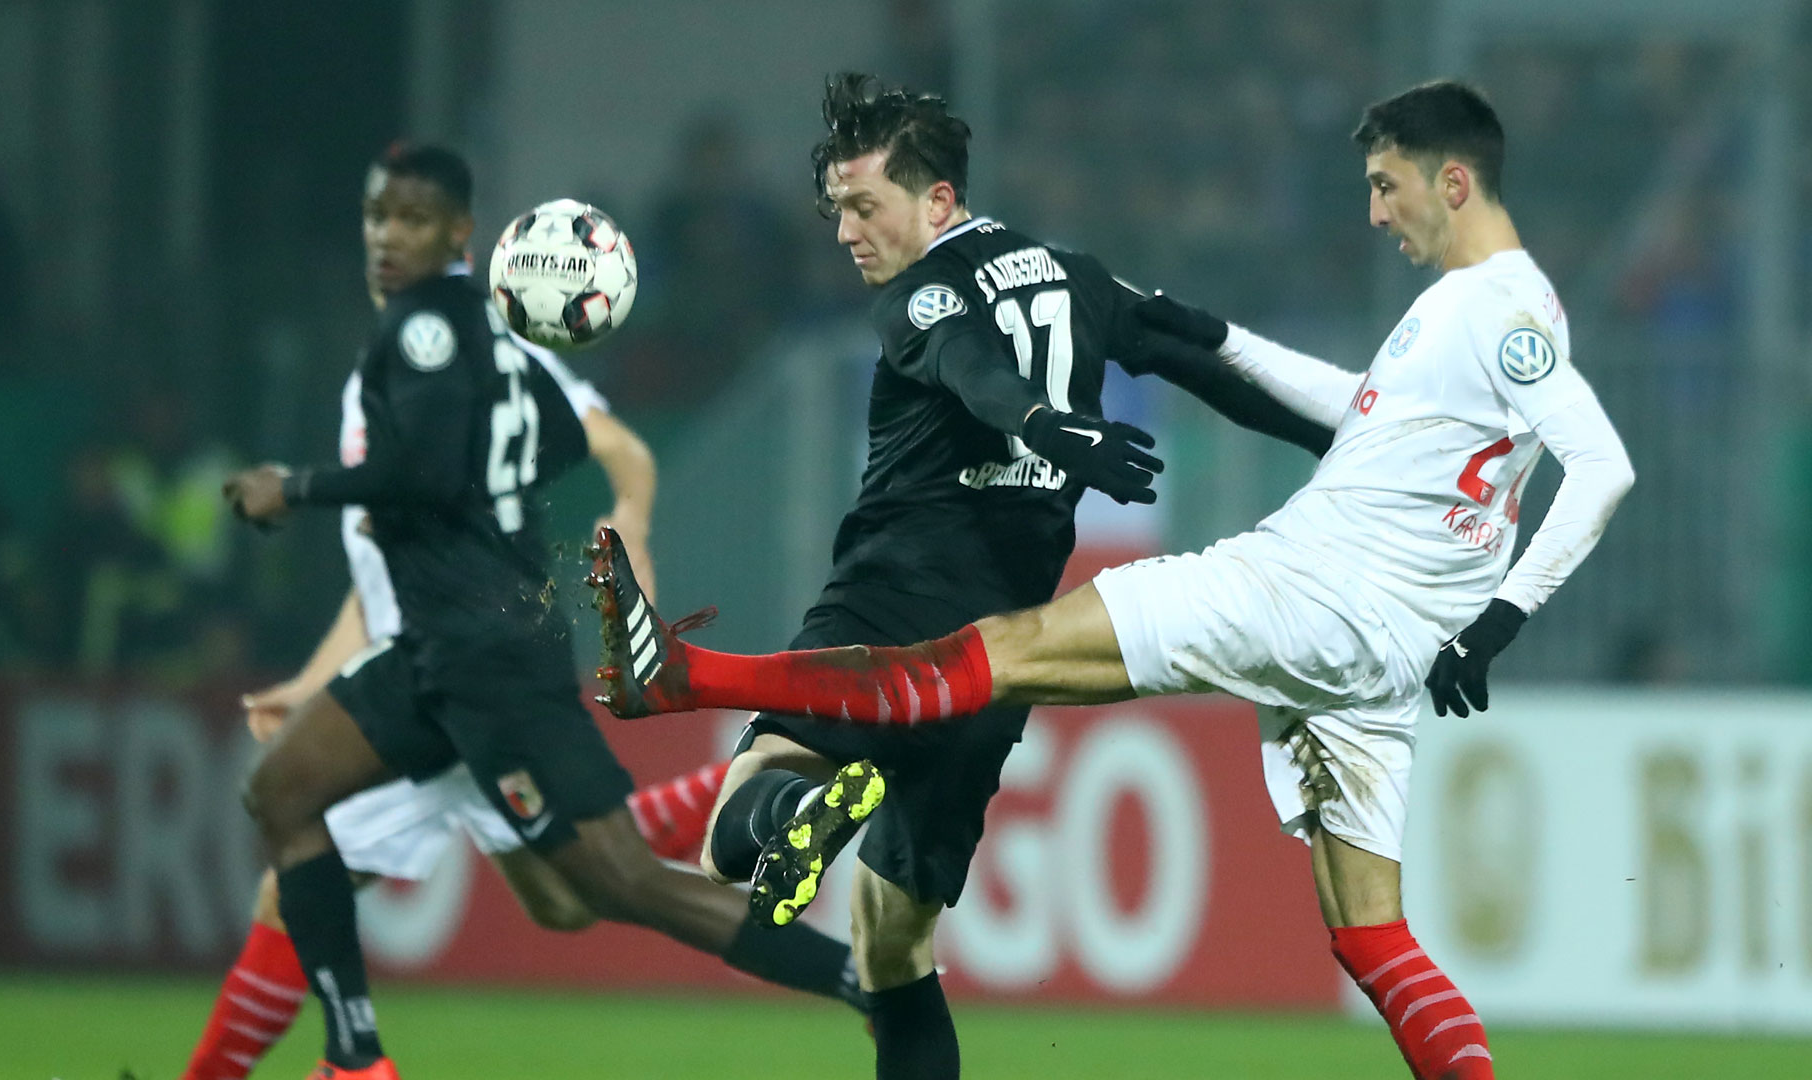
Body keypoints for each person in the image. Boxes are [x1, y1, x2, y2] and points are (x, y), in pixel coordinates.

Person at [591, 81, 1635, 1080]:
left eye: (863, 207)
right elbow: (1253, 377)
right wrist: (1285, 401)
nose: (847, 231)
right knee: (909, 952)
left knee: (766, 821)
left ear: (938, 199)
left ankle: (702, 695)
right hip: (1318, 648)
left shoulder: (919, 295)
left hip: (971, 610)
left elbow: (968, 365)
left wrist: (1043, 421)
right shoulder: (1077, 276)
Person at [221, 143, 865, 1080]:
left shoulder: (428, 336)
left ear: (458, 236)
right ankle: (356, 1057)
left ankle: (864, 981)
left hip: (487, 661)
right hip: (432, 653)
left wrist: (296, 485)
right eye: (377, 218)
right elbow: (548, 448)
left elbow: (425, 477)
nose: (387, 238)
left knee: (615, 886)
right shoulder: (500, 355)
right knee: (280, 791)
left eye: (410, 221)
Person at [178, 587, 728, 1080]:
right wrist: (313, 685)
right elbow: (369, 593)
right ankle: (734, 783)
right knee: (564, 901)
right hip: (454, 687)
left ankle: (343, 1062)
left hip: (426, 699)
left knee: (293, 886)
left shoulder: (398, 479)